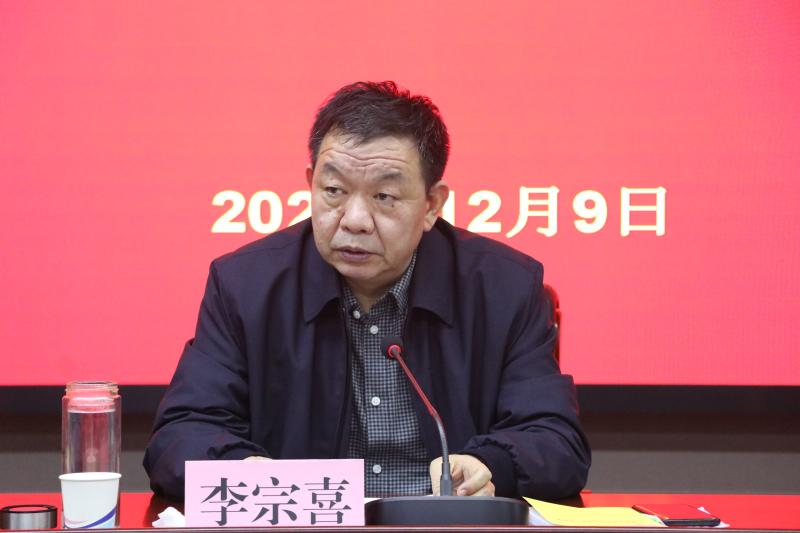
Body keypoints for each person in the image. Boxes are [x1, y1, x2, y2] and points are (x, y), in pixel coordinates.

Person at [143, 81, 590, 501]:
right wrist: (243, 471)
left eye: (384, 197)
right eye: (334, 190)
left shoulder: (504, 288)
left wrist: (490, 465)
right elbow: (179, 436)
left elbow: (556, 441)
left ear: (432, 204)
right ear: (311, 183)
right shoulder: (245, 286)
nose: (354, 220)